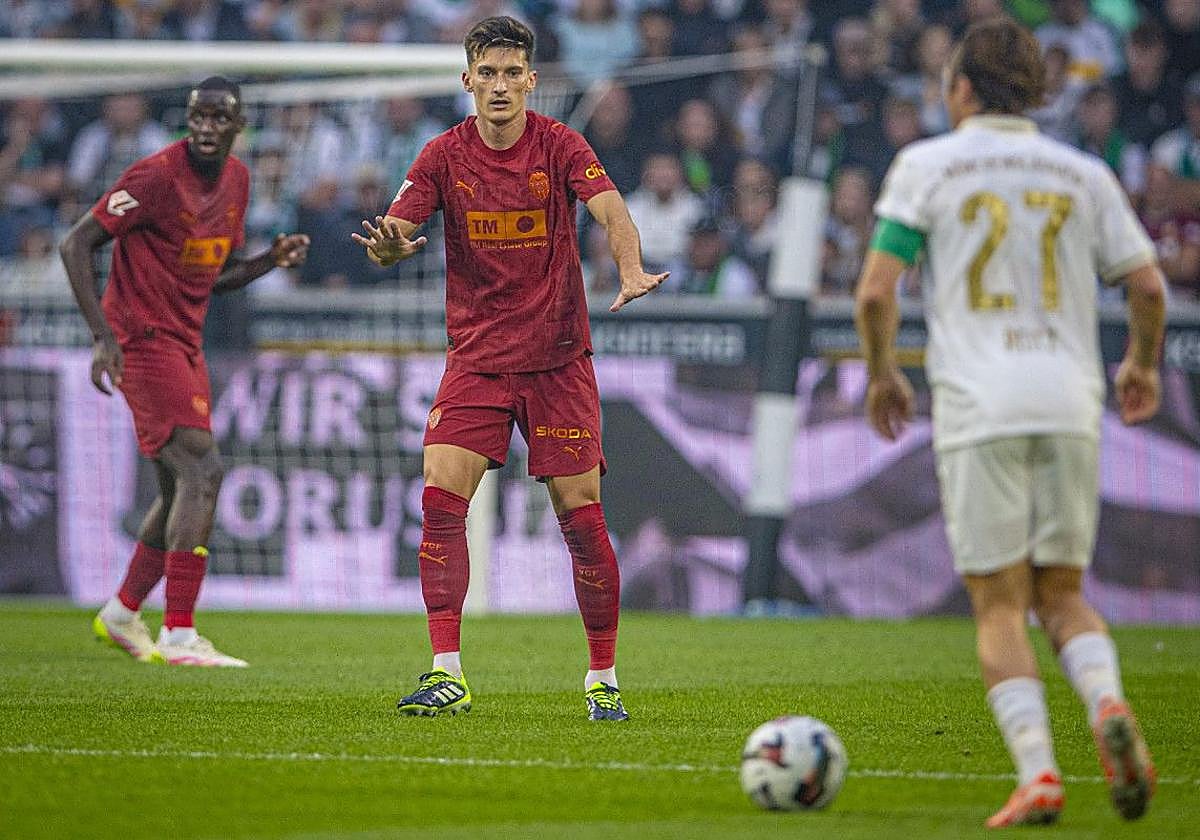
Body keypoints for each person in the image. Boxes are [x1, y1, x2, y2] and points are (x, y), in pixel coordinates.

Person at [854, 19, 1161, 828]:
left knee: (998, 602)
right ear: (1040, 89)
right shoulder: (1081, 171)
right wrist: (1144, 364)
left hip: (980, 404)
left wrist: (884, 372)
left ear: (958, 88)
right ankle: (1105, 705)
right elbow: (1150, 287)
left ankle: (1040, 776)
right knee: (1063, 594)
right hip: (1068, 400)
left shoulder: (927, 165)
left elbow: (877, 290)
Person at [352, 16, 666, 721]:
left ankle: (603, 678)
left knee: (581, 519)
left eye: (510, 74)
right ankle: (447, 671)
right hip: (479, 361)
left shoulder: (561, 146)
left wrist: (631, 266)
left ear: (531, 80)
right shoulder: (441, 155)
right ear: (468, 80)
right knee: (438, 493)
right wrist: (389, 250)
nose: (498, 86)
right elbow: (399, 229)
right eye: (485, 74)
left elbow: (610, 207)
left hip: (557, 360)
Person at [60, 77, 309, 668]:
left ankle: (122, 613)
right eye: (197, 116)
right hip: (140, 340)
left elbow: (210, 278)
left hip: (185, 342)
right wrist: (102, 337)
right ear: (187, 120)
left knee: (179, 486)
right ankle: (177, 632)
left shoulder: (238, 183)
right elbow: (76, 246)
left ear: (237, 125)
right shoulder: (153, 176)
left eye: (219, 119)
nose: (205, 127)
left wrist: (268, 262)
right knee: (204, 467)